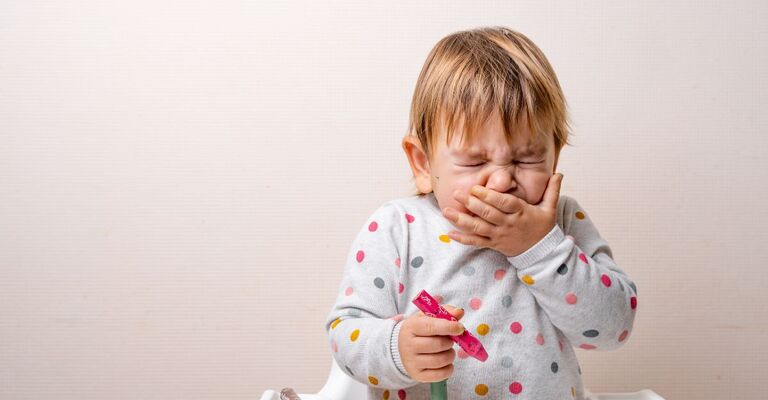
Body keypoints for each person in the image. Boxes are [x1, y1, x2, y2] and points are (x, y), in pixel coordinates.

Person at [324, 26, 637, 399]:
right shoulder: (397, 228)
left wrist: (540, 248)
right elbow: (346, 335)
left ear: (555, 156)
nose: (502, 181)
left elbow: (612, 329)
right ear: (423, 163)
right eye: (474, 162)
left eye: (527, 157)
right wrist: (398, 348)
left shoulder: (561, 223)